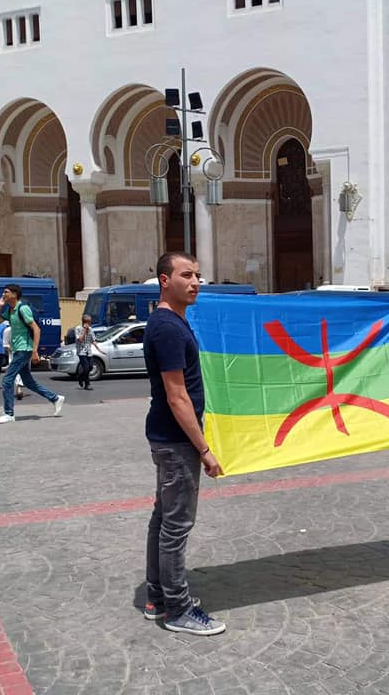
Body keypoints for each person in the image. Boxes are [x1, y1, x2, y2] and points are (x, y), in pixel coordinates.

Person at [143, 251, 225, 635]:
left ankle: (157, 596)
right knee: (176, 525)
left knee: (163, 519)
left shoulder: (171, 323)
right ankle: (177, 609)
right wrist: (204, 449)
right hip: (176, 440)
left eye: (198, 275)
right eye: (186, 275)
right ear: (164, 280)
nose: (195, 282)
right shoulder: (168, 328)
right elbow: (177, 396)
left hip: (167, 436)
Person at [0, 283, 64, 424]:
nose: (3, 294)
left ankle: (9, 413)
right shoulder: (10, 310)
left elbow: (36, 329)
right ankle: (55, 398)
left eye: (6, 292)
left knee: (7, 380)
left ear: (14, 294)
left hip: (24, 349)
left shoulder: (22, 309)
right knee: (29, 382)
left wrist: (35, 350)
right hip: (18, 349)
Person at [75, 314, 105, 390]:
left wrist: (99, 350)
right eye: (88, 322)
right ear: (84, 322)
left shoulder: (91, 329)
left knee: (91, 367)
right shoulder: (78, 329)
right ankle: (87, 384)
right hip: (81, 351)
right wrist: (84, 330)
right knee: (85, 368)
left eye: (90, 322)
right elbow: (80, 340)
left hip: (89, 351)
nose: (89, 324)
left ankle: (80, 377)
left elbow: (93, 340)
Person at [2, 324, 24, 400]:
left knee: (23, 371)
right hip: (13, 355)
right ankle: (19, 388)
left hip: (25, 353)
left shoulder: (24, 329)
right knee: (16, 371)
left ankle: (19, 387)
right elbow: (6, 345)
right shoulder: (7, 331)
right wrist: (13, 351)